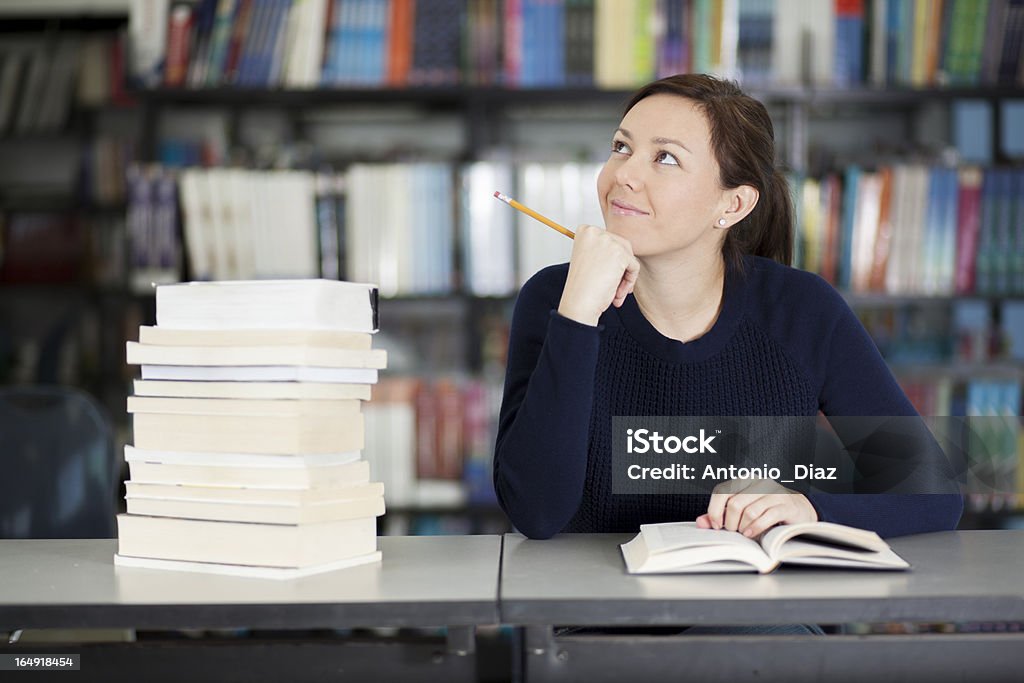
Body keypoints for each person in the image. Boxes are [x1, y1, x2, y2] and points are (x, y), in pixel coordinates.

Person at [492, 74, 963, 550]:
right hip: (604, 616)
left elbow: (934, 493)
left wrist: (809, 506)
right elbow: (536, 511)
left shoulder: (803, 310)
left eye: (665, 157)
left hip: (762, 611)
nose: (624, 175)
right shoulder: (555, 297)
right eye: (621, 147)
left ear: (733, 204)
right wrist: (577, 316)